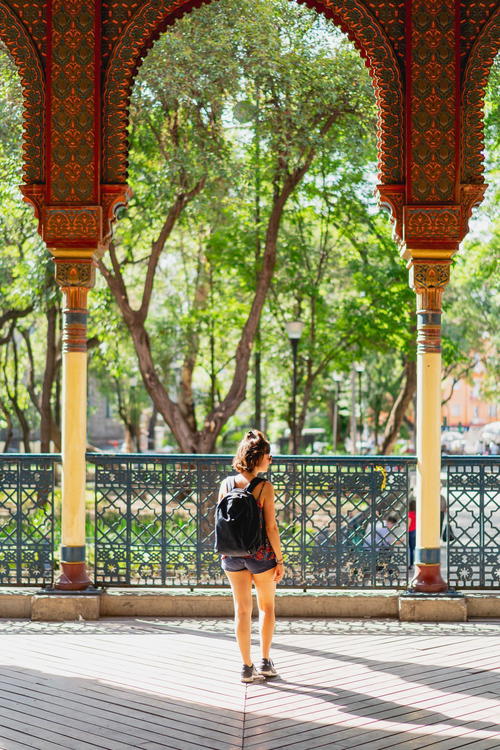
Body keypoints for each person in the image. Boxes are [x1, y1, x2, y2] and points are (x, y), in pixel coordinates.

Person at [218, 429, 285, 683]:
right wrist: (279, 560)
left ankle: (246, 666)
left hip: (231, 554)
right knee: (266, 608)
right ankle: (265, 662)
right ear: (258, 457)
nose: (271, 460)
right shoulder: (265, 487)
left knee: (241, 610)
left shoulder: (225, 484)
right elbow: (271, 528)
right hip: (261, 555)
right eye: (269, 455)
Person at [408, 498, 416, 568]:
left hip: (411, 531)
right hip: (416, 531)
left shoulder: (410, 514)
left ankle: (411, 564)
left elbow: (409, 524)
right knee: (415, 548)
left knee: (410, 549)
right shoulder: (417, 513)